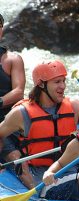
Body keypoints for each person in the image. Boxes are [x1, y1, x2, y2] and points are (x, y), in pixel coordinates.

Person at [0, 60, 79, 200]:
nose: (63, 86)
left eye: (64, 81)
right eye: (57, 82)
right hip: (45, 179)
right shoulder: (22, 113)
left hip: (71, 169)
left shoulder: (74, 107)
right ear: (41, 84)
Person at [0, 13, 26, 160]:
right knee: (14, 155)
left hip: (9, 118)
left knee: (17, 155)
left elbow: (19, 91)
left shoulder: (13, 59)